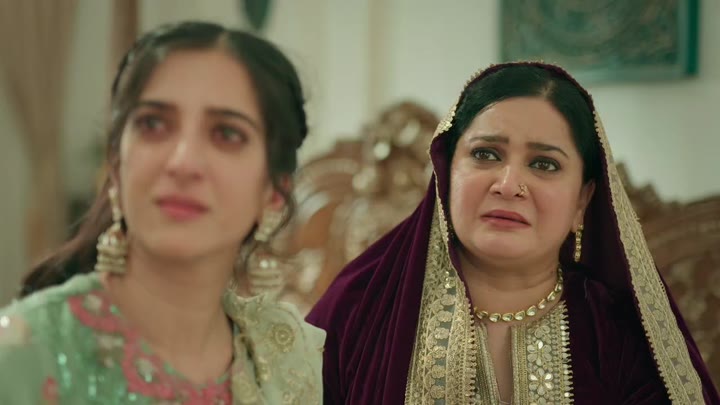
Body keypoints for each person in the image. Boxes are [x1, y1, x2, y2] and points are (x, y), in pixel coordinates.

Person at [307, 62, 719, 404]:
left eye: (544, 164)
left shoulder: (619, 334)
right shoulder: (360, 309)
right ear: (446, 174)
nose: (508, 185)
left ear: (582, 200)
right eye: (485, 154)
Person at [0, 21, 324, 404]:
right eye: (153, 124)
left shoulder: (290, 361)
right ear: (116, 165)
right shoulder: (25, 355)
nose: (183, 163)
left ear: (273, 193)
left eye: (227, 133)